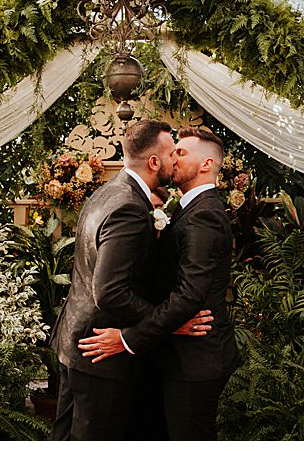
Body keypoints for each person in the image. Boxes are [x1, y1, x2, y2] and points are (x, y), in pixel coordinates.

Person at [49, 119, 209, 440]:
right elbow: (110, 292)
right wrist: (167, 324)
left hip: (72, 341)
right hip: (100, 355)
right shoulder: (130, 208)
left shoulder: (106, 192)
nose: (175, 161)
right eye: (170, 155)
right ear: (153, 162)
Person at [79, 127, 241, 440]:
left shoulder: (205, 216)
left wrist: (128, 339)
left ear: (206, 165)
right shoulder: (188, 208)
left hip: (195, 360)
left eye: (181, 152)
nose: (173, 158)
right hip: (175, 355)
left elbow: (188, 296)